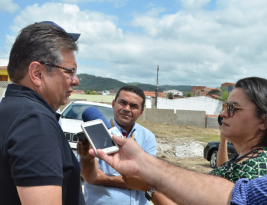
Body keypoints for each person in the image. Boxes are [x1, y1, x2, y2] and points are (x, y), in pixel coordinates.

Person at [0, 21, 97, 205]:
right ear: (37, 73)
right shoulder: (34, 122)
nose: (75, 81)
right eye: (70, 71)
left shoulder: (10, 109)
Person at [89, 134, 267, 205]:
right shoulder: (244, 158)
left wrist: (148, 185)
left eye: (233, 107)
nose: (223, 113)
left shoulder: (259, 165)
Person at [81, 85, 161, 205]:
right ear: (113, 104)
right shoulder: (95, 131)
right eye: (123, 103)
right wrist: (135, 182)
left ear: (141, 112)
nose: (127, 108)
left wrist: (106, 179)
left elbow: (149, 179)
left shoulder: (147, 137)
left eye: (134, 106)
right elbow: (90, 177)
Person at [210, 77, 267, 183]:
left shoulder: (249, 173)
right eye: (225, 106)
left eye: (233, 108)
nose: (223, 114)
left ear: (263, 121)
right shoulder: (248, 157)